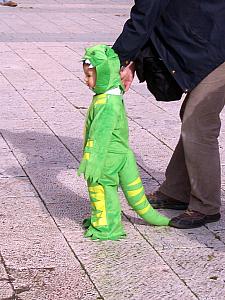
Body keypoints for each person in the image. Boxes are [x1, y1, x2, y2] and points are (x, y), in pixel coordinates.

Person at [112, 0, 225, 229]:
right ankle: (176, 191)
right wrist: (131, 61)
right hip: (206, 39)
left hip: (217, 45)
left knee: (199, 122)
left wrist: (115, 60)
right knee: (192, 117)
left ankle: (206, 206)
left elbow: (144, 17)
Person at [78, 44, 169, 241]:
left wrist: (91, 160)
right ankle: (100, 220)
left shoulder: (106, 104)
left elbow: (100, 136)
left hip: (108, 156)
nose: (86, 80)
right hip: (119, 153)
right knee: (112, 189)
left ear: (103, 75)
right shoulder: (110, 95)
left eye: (89, 76)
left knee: (101, 186)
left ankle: (107, 226)